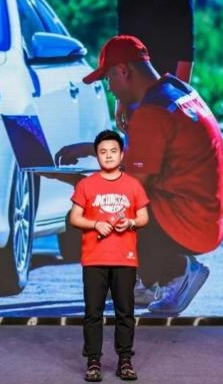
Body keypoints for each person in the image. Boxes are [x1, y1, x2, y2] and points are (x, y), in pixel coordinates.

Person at [63, 35, 223, 315]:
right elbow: (148, 151)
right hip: (212, 215)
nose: (110, 89)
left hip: (193, 223)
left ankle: (177, 272)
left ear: (123, 71)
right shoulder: (176, 90)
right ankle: (148, 283)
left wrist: (77, 183)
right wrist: (93, 149)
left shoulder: (151, 112)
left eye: (108, 79)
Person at [68, 130, 150, 382]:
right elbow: (74, 217)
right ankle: (93, 361)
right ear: (97, 156)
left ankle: (125, 361)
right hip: (94, 260)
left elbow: (144, 217)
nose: (108, 156)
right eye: (103, 152)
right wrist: (95, 224)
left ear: (122, 154)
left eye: (113, 151)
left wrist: (131, 222)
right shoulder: (86, 185)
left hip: (125, 259)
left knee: (125, 312)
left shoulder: (133, 185)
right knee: (93, 313)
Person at [104, 0, 195, 130]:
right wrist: (121, 100)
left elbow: (186, 53)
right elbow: (124, 44)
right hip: (135, 90)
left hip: (169, 88)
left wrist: (178, 102)